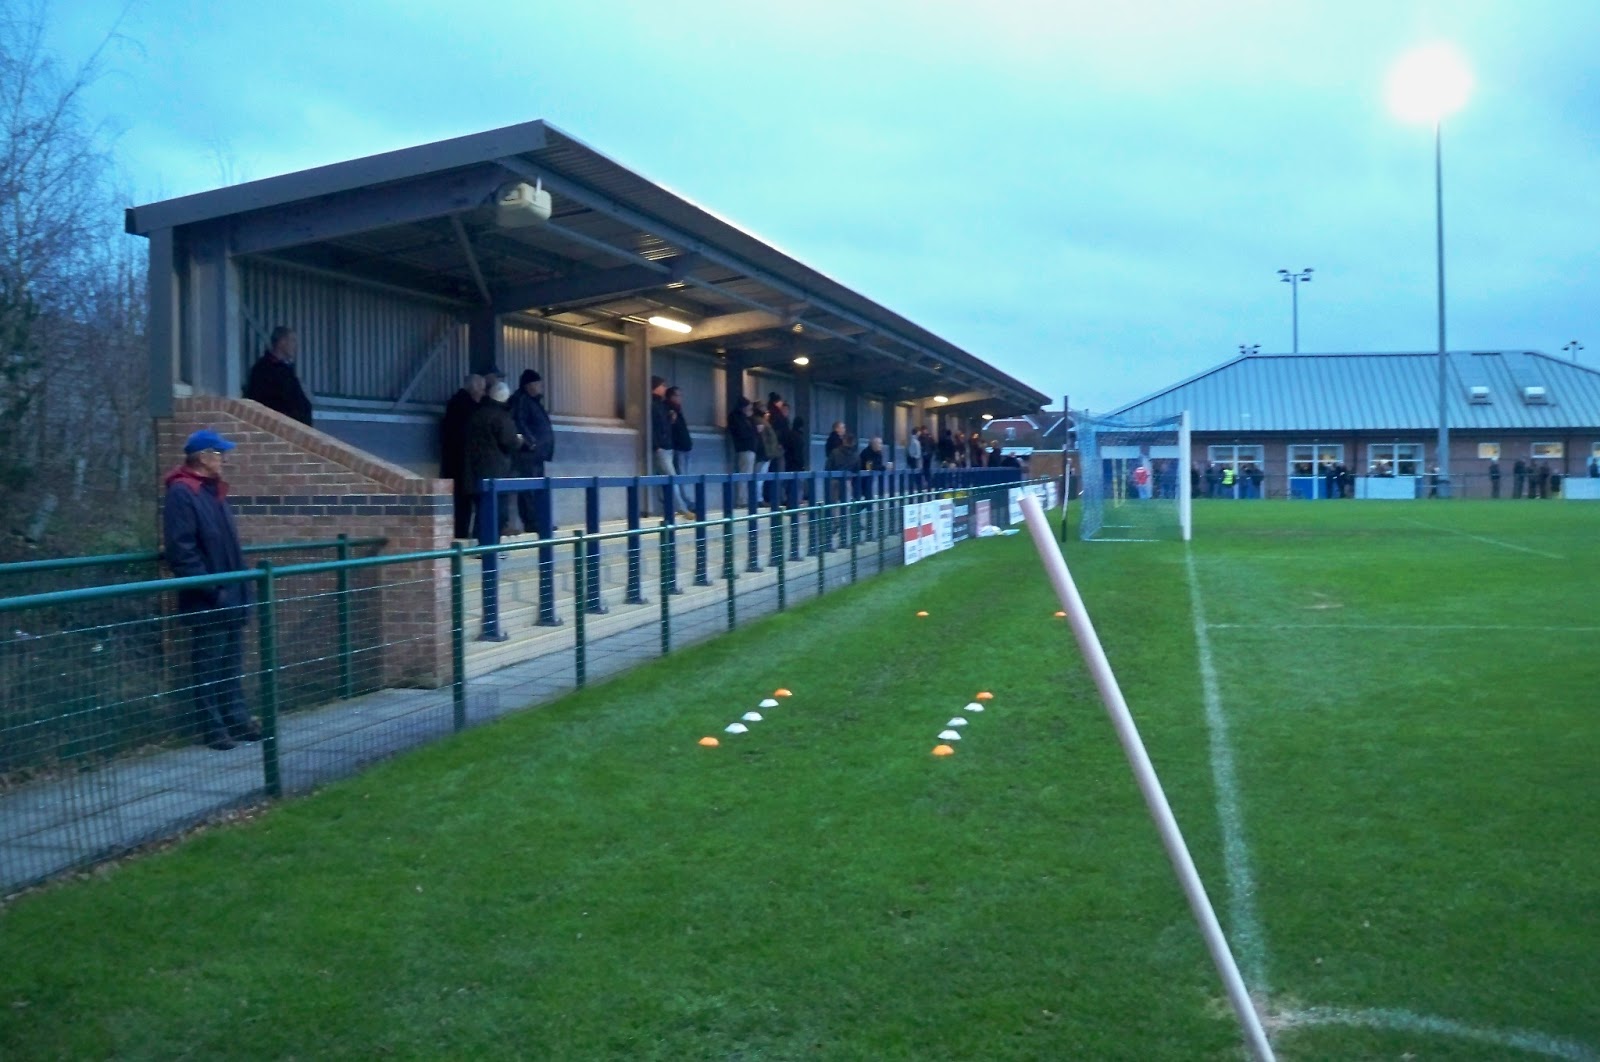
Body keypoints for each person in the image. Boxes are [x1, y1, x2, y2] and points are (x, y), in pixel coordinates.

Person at [163, 429, 259, 751]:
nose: (224, 459)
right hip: (211, 598)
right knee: (208, 665)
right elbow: (182, 551)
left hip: (230, 593)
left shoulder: (212, 492)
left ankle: (236, 719)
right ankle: (214, 728)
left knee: (231, 662)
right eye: (219, 454)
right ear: (203, 457)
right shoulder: (183, 492)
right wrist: (213, 592)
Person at [464, 381, 520, 536]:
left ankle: (479, 545)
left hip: (475, 470)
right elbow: (510, 441)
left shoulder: (477, 414)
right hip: (497, 471)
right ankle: (491, 550)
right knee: (497, 512)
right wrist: (519, 440)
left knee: (482, 510)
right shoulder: (501, 417)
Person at [507, 370, 556, 535]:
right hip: (528, 455)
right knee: (528, 489)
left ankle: (540, 521)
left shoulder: (532, 401)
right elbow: (518, 422)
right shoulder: (522, 400)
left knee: (538, 488)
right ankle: (532, 522)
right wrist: (531, 443)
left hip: (537, 454)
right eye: (537, 383)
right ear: (529, 385)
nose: (540, 386)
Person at [440, 374, 485, 539]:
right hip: (463, 465)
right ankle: (461, 538)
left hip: (456, 463)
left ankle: (462, 535)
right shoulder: (467, 408)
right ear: (473, 388)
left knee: (462, 503)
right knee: (463, 502)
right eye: (481, 388)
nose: (483, 393)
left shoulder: (457, 404)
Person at [245, 325, 313, 426]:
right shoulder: (263, 369)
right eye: (292, 340)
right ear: (282, 342)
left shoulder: (286, 369)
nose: (295, 345)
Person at [649, 376, 688, 517]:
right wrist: (656, 445)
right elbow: (652, 427)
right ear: (656, 386)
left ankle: (668, 508)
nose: (665, 388)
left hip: (667, 446)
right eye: (663, 385)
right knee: (672, 477)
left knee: (665, 479)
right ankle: (681, 508)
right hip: (662, 447)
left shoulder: (661, 405)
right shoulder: (653, 404)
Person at [666, 385, 695, 515]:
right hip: (678, 448)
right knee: (681, 476)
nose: (680, 398)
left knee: (684, 476)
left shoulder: (677, 410)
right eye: (678, 395)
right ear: (671, 397)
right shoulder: (670, 410)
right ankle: (685, 503)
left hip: (684, 447)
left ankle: (686, 502)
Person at [727, 396, 758, 507]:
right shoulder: (737, 418)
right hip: (744, 448)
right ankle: (742, 500)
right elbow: (743, 433)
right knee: (744, 474)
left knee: (746, 474)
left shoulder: (744, 418)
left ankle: (744, 498)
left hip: (748, 448)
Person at [757, 401, 784, 507]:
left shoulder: (763, 422)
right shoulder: (760, 422)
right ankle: (758, 499)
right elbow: (763, 439)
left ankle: (759, 498)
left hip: (767, 454)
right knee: (759, 477)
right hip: (764, 454)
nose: (767, 412)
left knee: (761, 478)